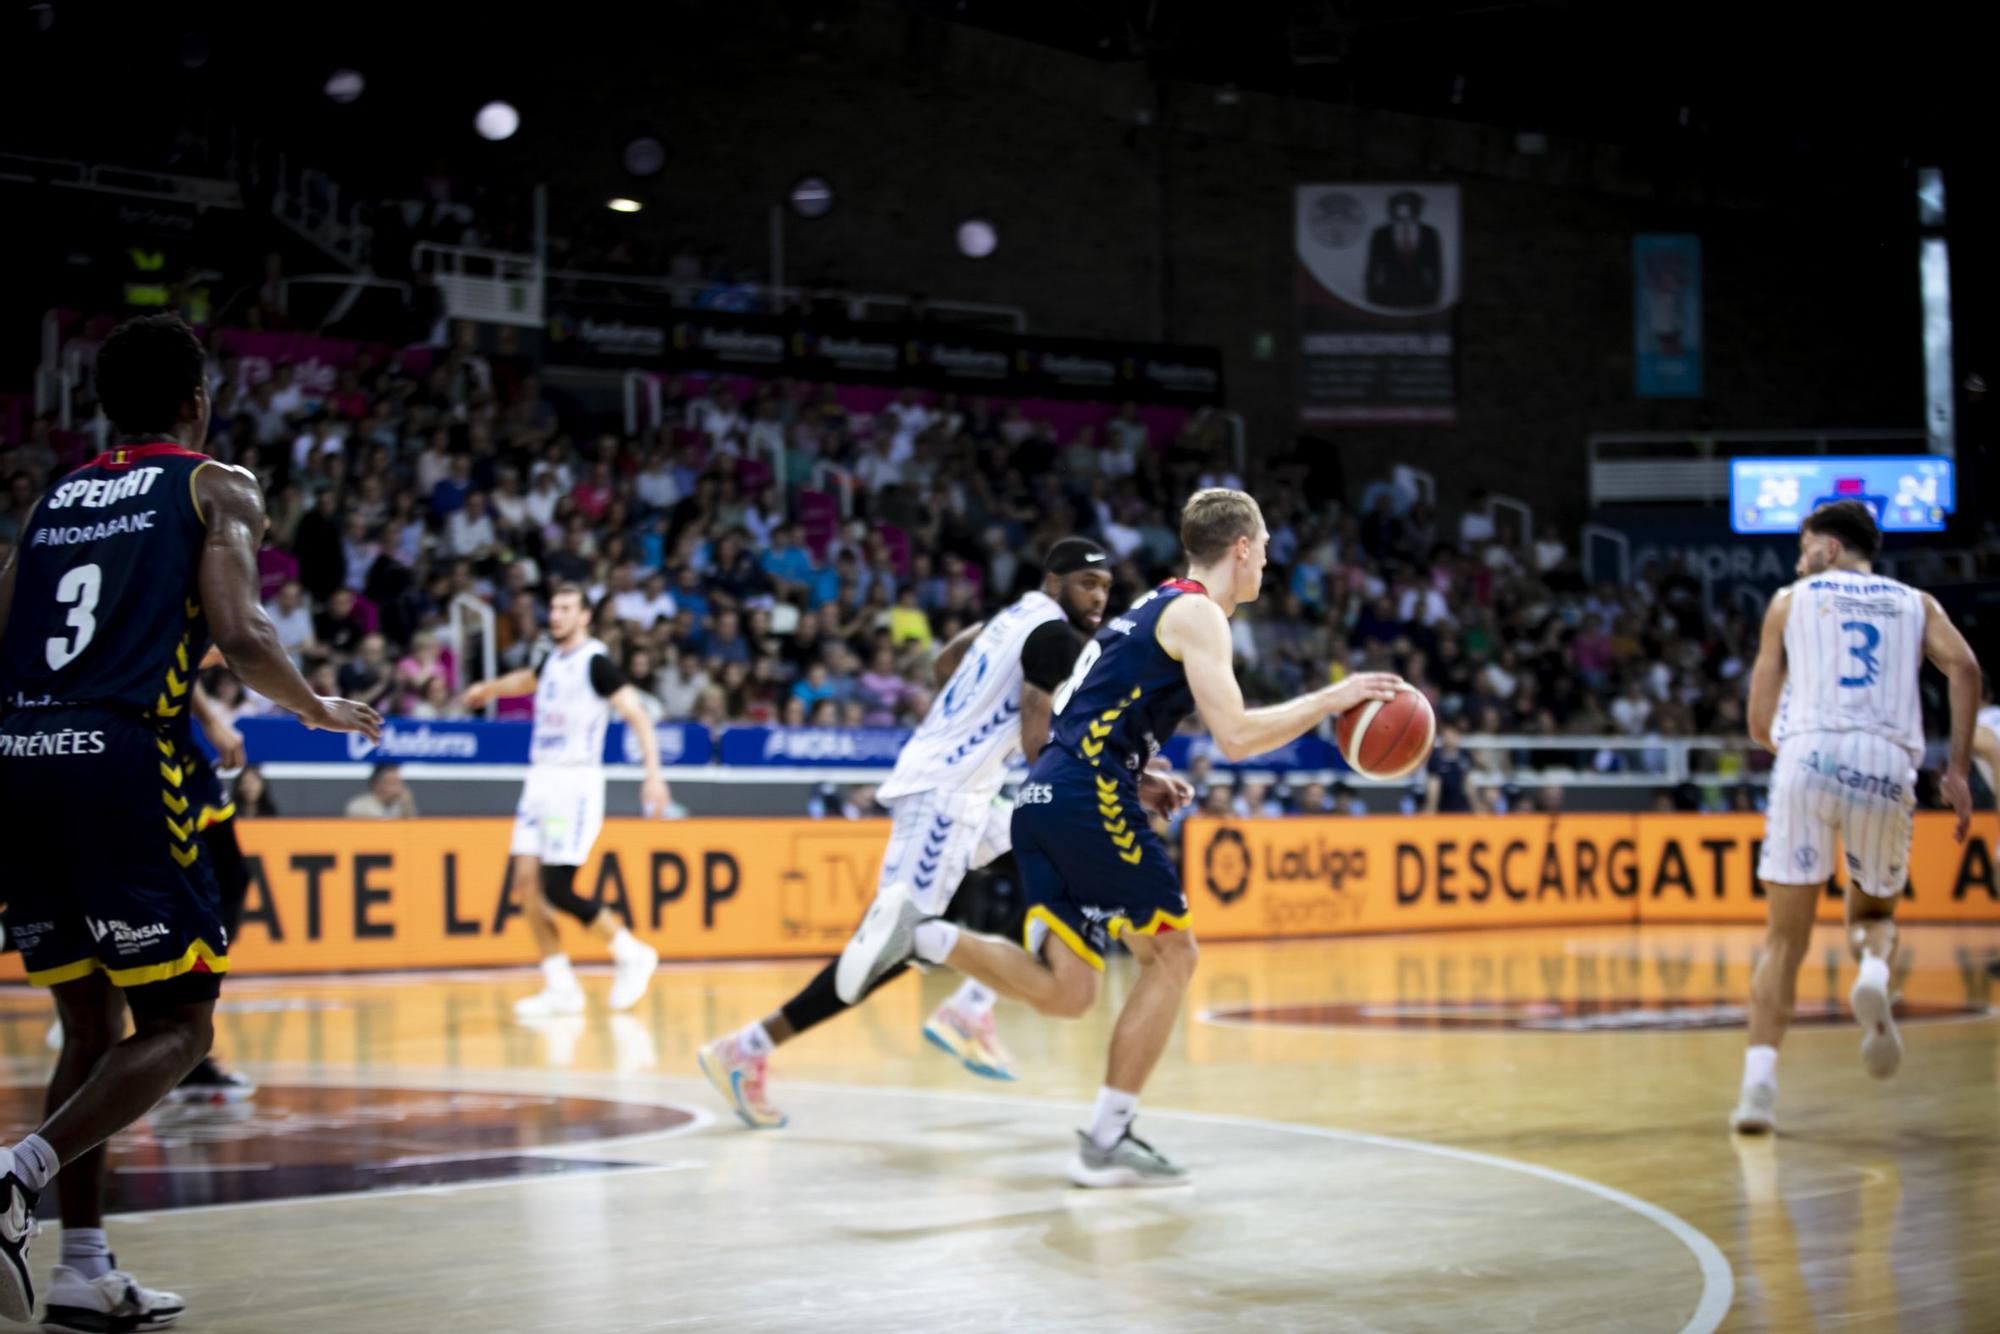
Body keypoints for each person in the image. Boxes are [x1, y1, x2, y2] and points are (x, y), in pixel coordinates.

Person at [837, 490, 1400, 1186]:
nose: (1268, 565)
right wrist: (1332, 698)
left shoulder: (1150, 605)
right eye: (1266, 550)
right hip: (1084, 798)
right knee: (1172, 956)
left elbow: (1086, 719)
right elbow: (1236, 736)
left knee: (1069, 992)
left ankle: (920, 935)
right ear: (1244, 548)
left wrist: (1140, 777)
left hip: (1046, 797)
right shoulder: (1199, 614)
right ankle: (1108, 1138)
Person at [0, 314, 381, 1329]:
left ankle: (82, 1264)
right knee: (178, 1022)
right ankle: (16, 1173)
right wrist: (317, 707)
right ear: (196, 399)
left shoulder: (52, 498)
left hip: (22, 754)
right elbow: (243, 630)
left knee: (88, 1023)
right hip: (122, 759)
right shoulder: (216, 482)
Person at [697, 539, 1115, 1128]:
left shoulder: (1013, 616)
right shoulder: (1054, 639)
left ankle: (971, 1007)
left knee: (1059, 861)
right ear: (1054, 581)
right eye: (1086, 585)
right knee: (891, 948)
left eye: (1105, 588)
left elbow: (946, 665)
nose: (1098, 598)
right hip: (945, 794)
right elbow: (1034, 740)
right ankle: (746, 1048)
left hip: (964, 788)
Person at [1731, 500, 1979, 1134]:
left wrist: (1796, 757)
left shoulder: (1789, 600)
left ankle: (1757, 1091)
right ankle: (1871, 970)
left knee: (1784, 942)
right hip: (1886, 759)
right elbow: (1966, 669)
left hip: (1807, 751)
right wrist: (1953, 771)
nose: (1798, 559)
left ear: (1830, 550)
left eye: (1804, 545)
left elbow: (1760, 722)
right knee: (1872, 913)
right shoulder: (1918, 603)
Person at [463, 584, 670, 1017]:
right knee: (525, 885)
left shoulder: (595, 663)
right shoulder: (551, 658)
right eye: (553, 607)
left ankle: (631, 952)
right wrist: (489, 688)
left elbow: (636, 714)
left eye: (566, 609)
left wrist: (653, 775)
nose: (555, 615)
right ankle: (561, 986)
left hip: (573, 787)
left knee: (557, 888)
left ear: (584, 617)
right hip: (539, 780)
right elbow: (527, 680)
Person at [344, 763, 419, 819]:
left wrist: (407, 806)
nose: (398, 788)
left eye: (399, 783)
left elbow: (412, 830)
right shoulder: (359, 806)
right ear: (377, 784)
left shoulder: (401, 806)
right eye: (392, 783)